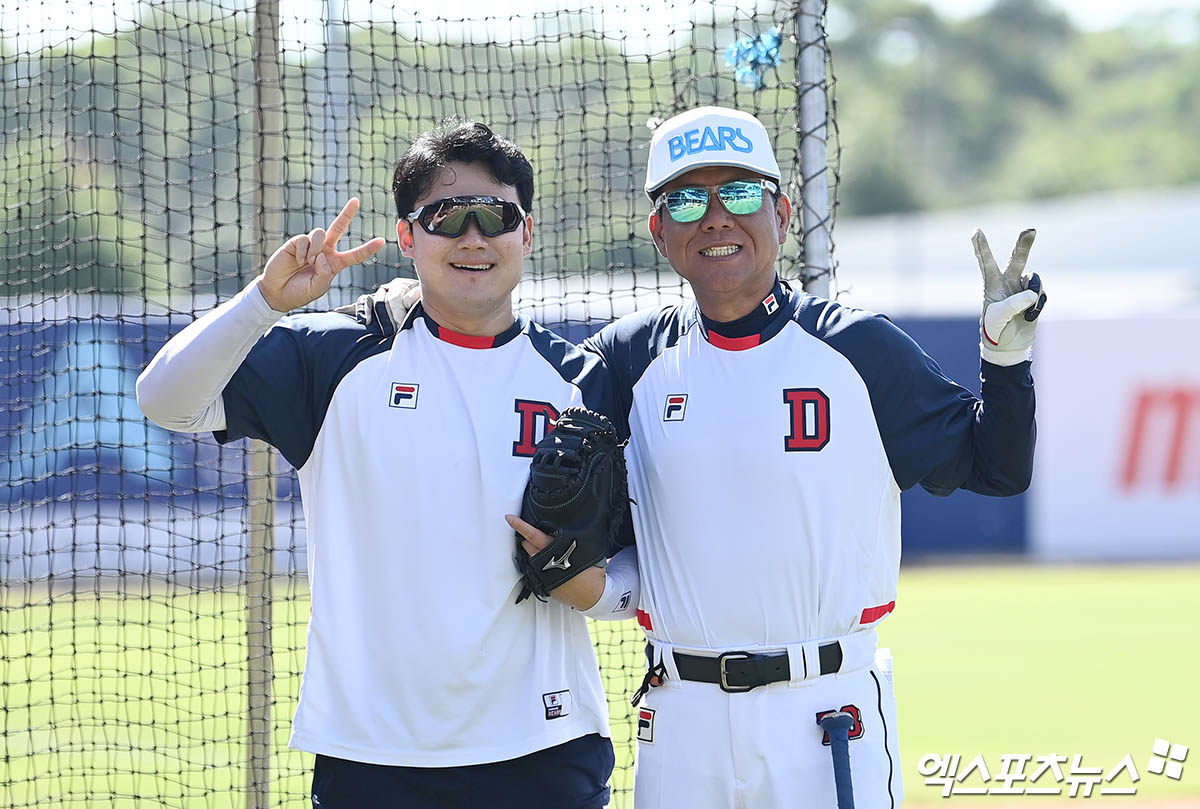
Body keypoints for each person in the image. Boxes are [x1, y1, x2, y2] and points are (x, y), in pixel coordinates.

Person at [355, 107, 1044, 809]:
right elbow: (512, 369)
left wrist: (1005, 357)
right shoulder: (624, 360)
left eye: (739, 194)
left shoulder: (858, 350)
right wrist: (416, 301)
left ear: (780, 212)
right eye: (686, 200)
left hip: (827, 712)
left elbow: (997, 467)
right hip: (680, 720)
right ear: (659, 231)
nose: (715, 218)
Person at [136, 119, 639, 809]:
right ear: (407, 237)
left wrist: (596, 592)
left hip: (546, 750)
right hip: (374, 760)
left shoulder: (585, 383)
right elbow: (163, 398)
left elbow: (644, 569)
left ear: (528, 232)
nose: (471, 236)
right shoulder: (333, 357)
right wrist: (262, 304)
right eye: (444, 215)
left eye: (495, 215)